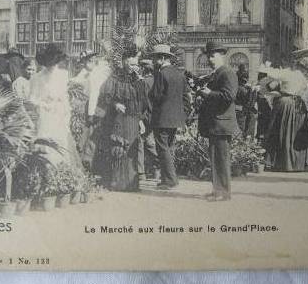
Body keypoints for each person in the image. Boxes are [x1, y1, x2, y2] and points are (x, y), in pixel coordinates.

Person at [94, 46, 150, 192]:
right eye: (131, 64)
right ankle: (115, 182)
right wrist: (115, 104)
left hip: (132, 121)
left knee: (131, 151)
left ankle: (131, 184)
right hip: (117, 120)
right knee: (118, 149)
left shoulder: (138, 81)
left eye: (136, 65)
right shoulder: (114, 79)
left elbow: (143, 103)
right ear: (124, 62)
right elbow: (104, 97)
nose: (134, 68)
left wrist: (141, 120)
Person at [29, 43, 82, 170]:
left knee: (61, 142)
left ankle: (61, 174)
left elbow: (64, 98)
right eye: (49, 62)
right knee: (46, 143)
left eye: (54, 62)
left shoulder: (63, 75)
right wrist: (43, 104)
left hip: (58, 115)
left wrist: (66, 116)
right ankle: (46, 173)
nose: (52, 65)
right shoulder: (37, 78)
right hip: (45, 115)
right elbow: (32, 99)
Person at [198, 41, 238, 201]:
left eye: (212, 55)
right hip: (216, 123)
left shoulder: (227, 73)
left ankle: (223, 192)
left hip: (222, 123)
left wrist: (208, 93)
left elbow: (229, 96)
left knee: (221, 159)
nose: (209, 59)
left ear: (222, 55)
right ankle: (217, 190)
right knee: (216, 159)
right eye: (208, 55)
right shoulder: (218, 73)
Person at [148, 44, 190, 190]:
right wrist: (182, 114)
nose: (153, 61)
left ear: (162, 58)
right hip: (176, 119)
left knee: (162, 149)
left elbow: (155, 96)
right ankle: (167, 178)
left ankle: (170, 179)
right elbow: (186, 97)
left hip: (162, 118)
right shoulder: (180, 74)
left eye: (155, 58)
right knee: (169, 148)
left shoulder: (161, 74)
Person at [264, 69, 308, 172]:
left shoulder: (286, 73)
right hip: (299, 105)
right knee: (294, 133)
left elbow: (269, 86)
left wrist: (276, 89)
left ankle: (281, 163)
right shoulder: (304, 78)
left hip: (285, 103)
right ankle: (296, 165)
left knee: (279, 130)